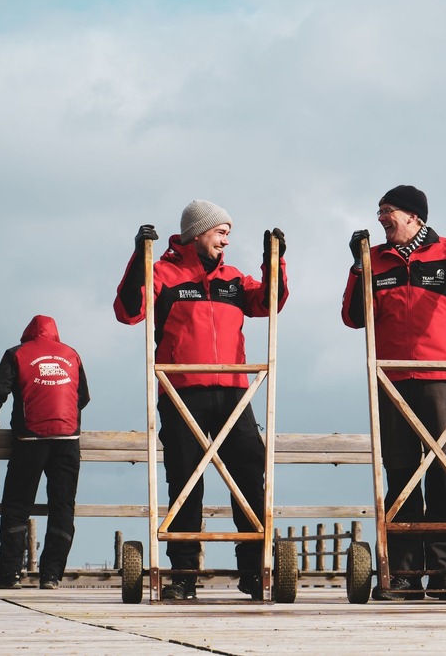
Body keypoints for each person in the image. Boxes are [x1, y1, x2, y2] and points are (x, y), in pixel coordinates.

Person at [114, 199, 288, 601]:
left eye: (228, 234)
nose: (226, 240)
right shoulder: (165, 274)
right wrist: (138, 259)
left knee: (248, 474)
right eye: (221, 232)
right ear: (197, 234)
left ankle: (253, 570)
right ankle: (184, 574)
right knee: (186, 480)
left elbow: (269, 303)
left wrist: (273, 260)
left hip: (233, 392)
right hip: (180, 391)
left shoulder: (233, 280)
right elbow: (128, 310)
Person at [341, 185, 446, 600]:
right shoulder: (373, 259)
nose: (380, 218)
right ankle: (405, 575)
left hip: (442, 377)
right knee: (399, 472)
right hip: (392, 379)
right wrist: (358, 269)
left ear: (414, 216)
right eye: (378, 211)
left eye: (387, 211)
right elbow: (354, 318)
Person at [0, 315, 90, 590]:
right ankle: (51, 575)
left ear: (27, 333)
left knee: (17, 504)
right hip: (68, 438)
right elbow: (83, 397)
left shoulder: (17, 354)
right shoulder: (72, 354)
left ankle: (9, 574)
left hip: (30, 438)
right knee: (62, 506)